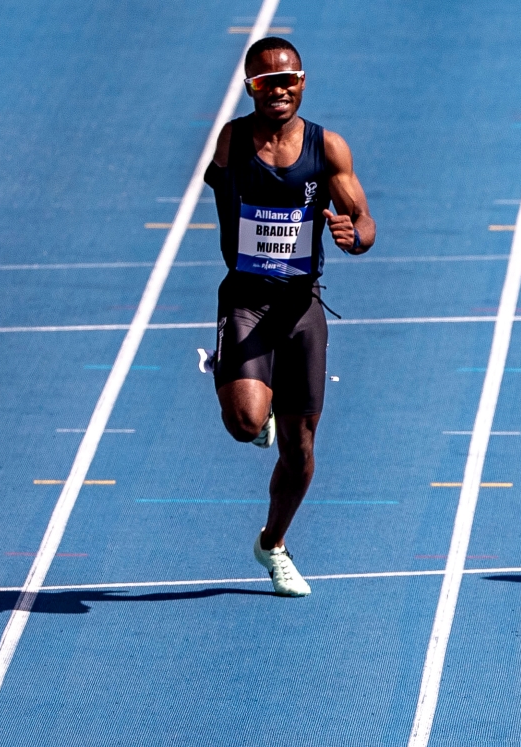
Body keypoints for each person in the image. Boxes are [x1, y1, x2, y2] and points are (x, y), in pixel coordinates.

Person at [203, 36, 375, 597]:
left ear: (302, 82)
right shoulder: (234, 140)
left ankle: (272, 544)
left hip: (303, 306)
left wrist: (355, 236)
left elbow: (364, 220)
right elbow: (216, 178)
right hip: (247, 302)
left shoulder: (328, 149)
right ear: (250, 87)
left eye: (287, 80)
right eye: (265, 82)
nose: (277, 90)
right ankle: (244, 385)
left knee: (300, 450)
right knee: (245, 424)